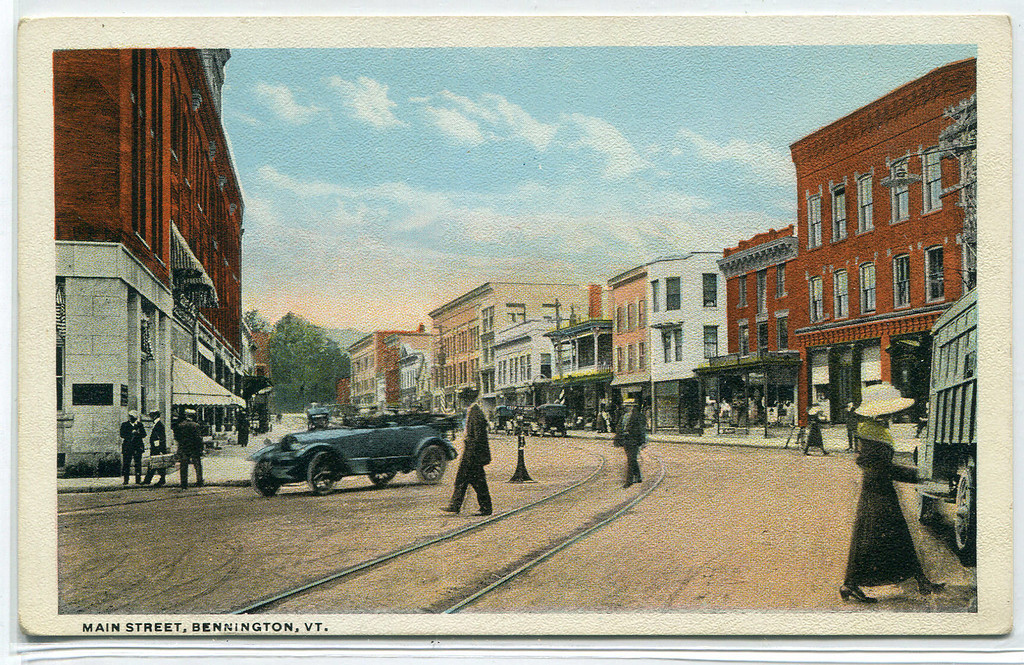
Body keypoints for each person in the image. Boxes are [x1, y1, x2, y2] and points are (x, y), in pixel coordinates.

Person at [841, 382, 944, 603]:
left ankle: (920, 580)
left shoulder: (875, 430)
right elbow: (882, 467)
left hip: (880, 489)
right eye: (888, 410)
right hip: (877, 492)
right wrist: (918, 475)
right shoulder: (871, 433)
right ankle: (850, 584)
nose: (891, 414)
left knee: (892, 537)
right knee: (873, 539)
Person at [443, 392, 492, 516]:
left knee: (476, 481)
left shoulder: (475, 413)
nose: (461, 402)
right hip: (471, 452)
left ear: (467, 400)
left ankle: (485, 508)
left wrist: (471, 455)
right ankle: (455, 505)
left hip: (473, 454)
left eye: (462, 400)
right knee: (463, 479)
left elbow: (478, 437)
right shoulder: (472, 411)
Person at [614, 397, 646, 488]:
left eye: (628, 405)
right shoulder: (623, 416)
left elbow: (641, 429)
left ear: (633, 406)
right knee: (632, 459)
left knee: (631, 460)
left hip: (634, 440)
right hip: (625, 440)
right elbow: (619, 427)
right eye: (626, 406)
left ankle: (629, 481)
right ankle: (638, 476)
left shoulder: (638, 416)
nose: (626, 407)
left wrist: (642, 441)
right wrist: (618, 439)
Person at [174, 408, 205, 489]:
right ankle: (199, 481)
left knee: (183, 466)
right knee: (197, 465)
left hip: (184, 448)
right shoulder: (196, 425)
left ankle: (184, 483)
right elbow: (198, 438)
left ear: (186, 415)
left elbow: (177, 437)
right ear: (193, 416)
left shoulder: (180, 425)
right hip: (194, 448)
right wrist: (201, 448)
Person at [142, 410, 167, 486]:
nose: (150, 417)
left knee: (158, 464)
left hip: (157, 448)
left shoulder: (159, 425)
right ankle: (148, 480)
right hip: (155, 448)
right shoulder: (157, 424)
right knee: (154, 464)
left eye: (151, 415)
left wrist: (158, 448)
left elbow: (160, 438)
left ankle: (159, 480)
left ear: (155, 416)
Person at [119, 410, 145, 485]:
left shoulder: (140, 425)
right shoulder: (125, 425)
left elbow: (144, 434)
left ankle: (138, 479)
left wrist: (138, 433)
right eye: (131, 417)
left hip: (137, 447)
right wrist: (131, 434)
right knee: (126, 464)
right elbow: (122, 434)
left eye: (133, 417)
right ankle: (126, 480)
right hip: (128, 447)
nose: (132, 419)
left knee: (138, 463)